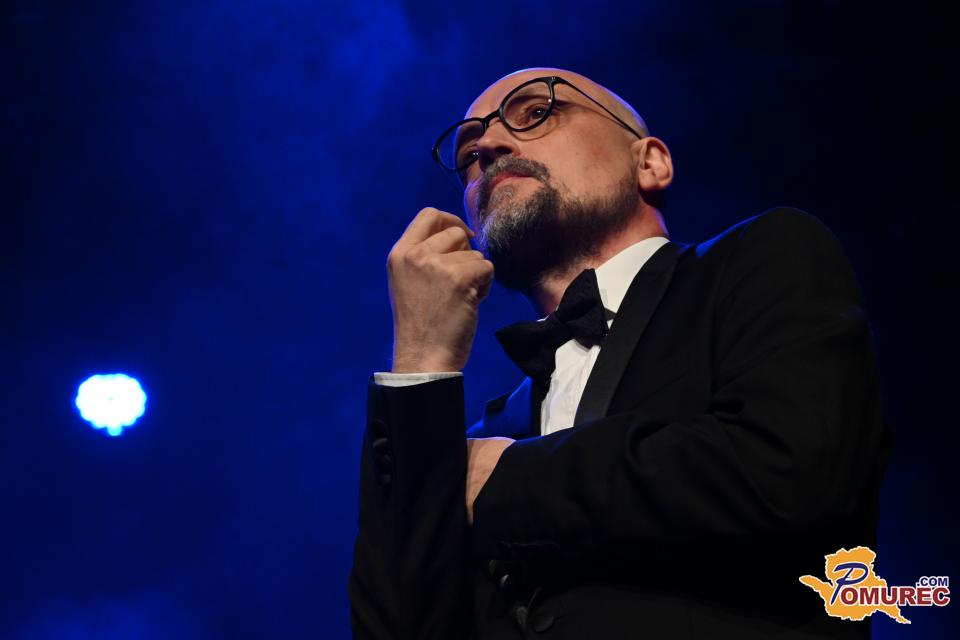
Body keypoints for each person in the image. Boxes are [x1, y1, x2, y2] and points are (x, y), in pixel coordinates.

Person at [349, 67, 891, 639]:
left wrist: (507, 478)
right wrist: (421, 361)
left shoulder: (761, 260)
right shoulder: (491, 432)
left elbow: (790, 475)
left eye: (537, 112)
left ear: (649, 162)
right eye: (468, 154)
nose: (488, 146)